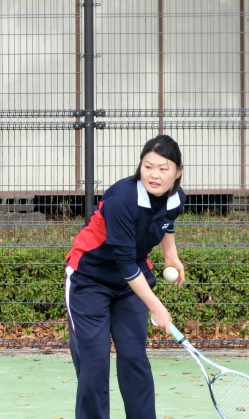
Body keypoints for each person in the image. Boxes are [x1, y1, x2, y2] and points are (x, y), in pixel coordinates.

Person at [65, 134, 186, 419]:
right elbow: (125, 263)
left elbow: (166, 224)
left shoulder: (176, 197)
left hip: (130, 284)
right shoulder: (122, 199)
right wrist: (158, 307)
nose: (154, 175)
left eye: (163, 168)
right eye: (148, 166)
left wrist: (171, 255)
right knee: (94, 365)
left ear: (178, 171)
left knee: (134, 357)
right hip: (88, 279)